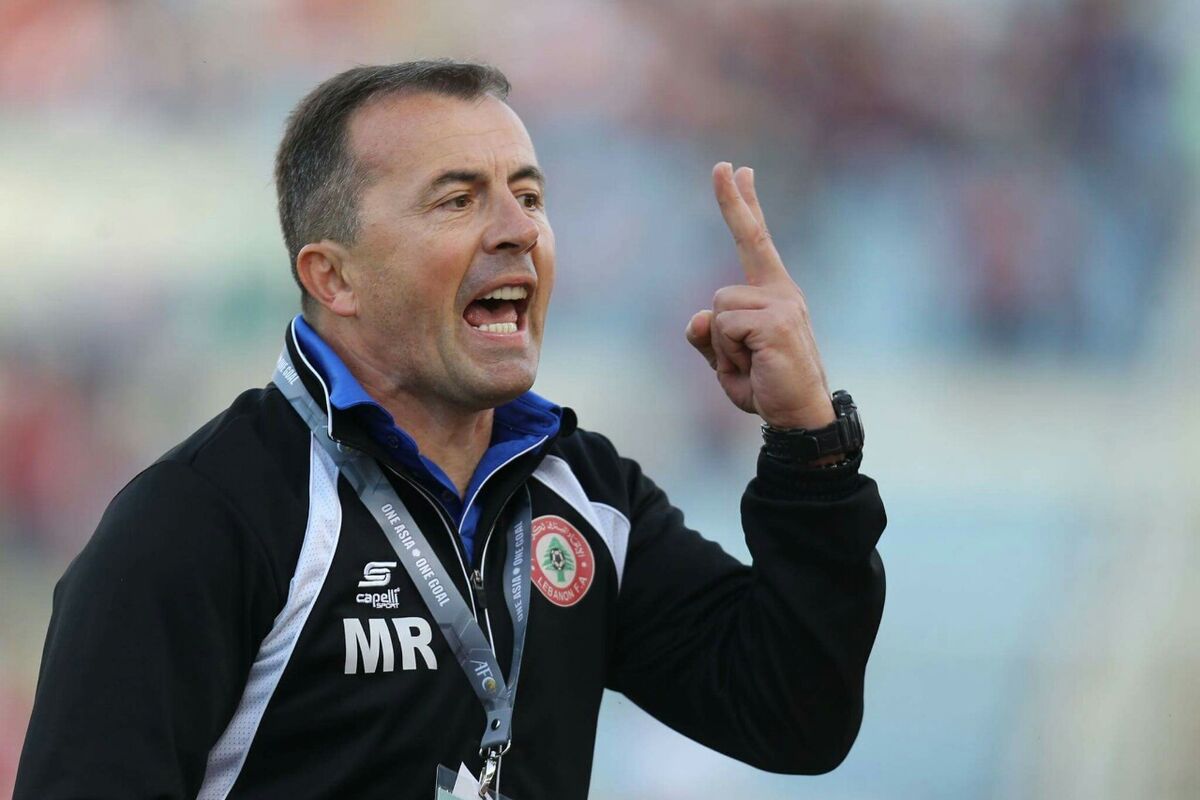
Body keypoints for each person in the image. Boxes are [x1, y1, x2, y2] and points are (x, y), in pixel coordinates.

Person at [15, 61, 886, 800]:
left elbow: (792, 715)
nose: (519, 231)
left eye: (529, 195)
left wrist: (807, 441)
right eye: (458, 200)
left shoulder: (583, 493)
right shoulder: (205, 518)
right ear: (334, 277)